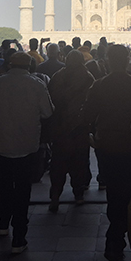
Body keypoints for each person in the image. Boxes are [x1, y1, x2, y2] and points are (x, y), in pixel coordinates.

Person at [0, 51, 54, 254]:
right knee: (22, 191)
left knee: (4, 185)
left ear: (10, 65)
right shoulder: (37, 84)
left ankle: (3, 225)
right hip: (27, 145)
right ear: (29, 66)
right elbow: (48, 112)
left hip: (1, 144)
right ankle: (19, 238)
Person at [81, 44, 131, 261]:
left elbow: (88, 115)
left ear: (108, 60)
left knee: (114, 194)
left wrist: (91, 135)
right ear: (128, 60)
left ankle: (115, 242)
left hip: (107, 146)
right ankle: (118, 240)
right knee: (127, 192)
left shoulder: (100, 85)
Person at [46, 50, 95, 211]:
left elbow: (50, 98)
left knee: (58, 163)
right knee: (79, 161)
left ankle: (55, 196)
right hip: (79, 126)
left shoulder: (58, 76)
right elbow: (92, 101)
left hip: (60, 126)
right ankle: (79, 194)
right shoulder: (87, 77)